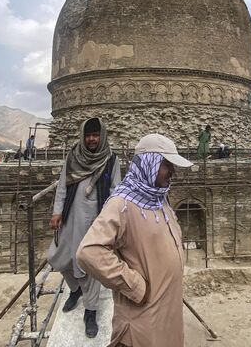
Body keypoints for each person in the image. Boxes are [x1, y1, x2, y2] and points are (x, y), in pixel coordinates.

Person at [76, 134, 193, 347]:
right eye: (167, 165)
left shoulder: (159, 199)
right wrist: (135, 285)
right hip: (142, 322)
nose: (173, 172)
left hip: (167, 314)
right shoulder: (122, 204)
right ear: (150, 164)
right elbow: (89, 252)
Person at [47, 118, 121, 338]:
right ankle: (75, 289)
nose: (91, 139)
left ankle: (90, 312)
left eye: (95, 135)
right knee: (57, 257)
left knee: (89, 265)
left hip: (95, 222)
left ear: (102, 136)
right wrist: (57, 212)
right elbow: (62, 185)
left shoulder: (110, 159)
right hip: (70, 217)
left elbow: (116, 190)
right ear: (83, 136)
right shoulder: (74, 156)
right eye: (88, 135)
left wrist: (111, 222)